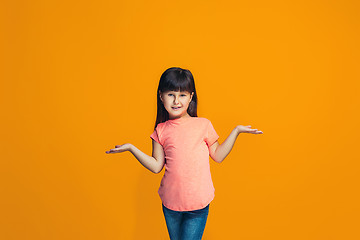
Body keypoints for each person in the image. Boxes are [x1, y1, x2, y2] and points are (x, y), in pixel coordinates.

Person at [105, 67, 263, 240]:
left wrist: (236, 131)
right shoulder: (160, 130)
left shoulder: (203, 125)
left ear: (191, 97)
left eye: (182, 95)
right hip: (170, 204)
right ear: (161, 96)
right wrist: (131, 148)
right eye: (171, 94)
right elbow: (157, 166)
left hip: (198, 204)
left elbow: (217, 155)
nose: (176, 101)